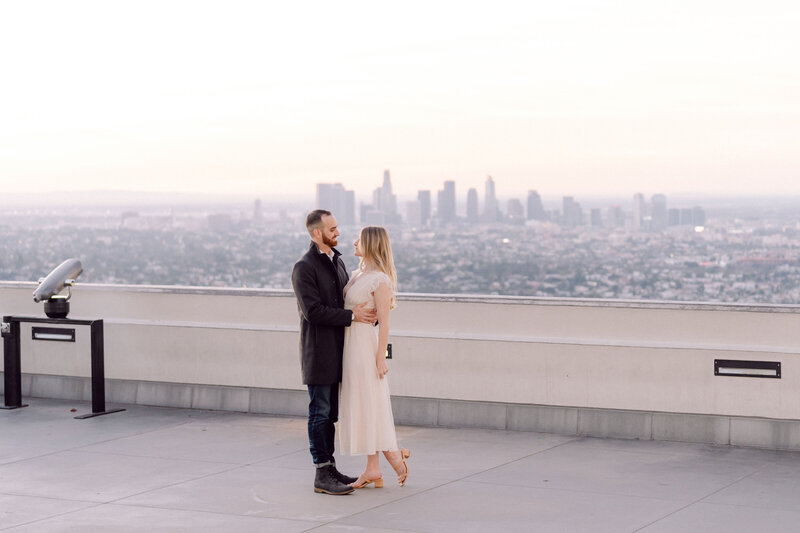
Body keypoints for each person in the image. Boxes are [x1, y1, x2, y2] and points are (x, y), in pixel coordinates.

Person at [291, 210, 377, 495]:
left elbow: (347, 299)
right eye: (332, 228)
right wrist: (352, 316)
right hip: (319, 352)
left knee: (331, 415)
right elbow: (313, 312)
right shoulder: (304, 267)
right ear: (317, 233)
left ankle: (330, 467)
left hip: (340, 351)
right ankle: (321, 472)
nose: (338, 232)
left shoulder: (337, 263)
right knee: (320, 412)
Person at [338, 226, 410, 489]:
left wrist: (381, 358)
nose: (354, 242)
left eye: (359, 238)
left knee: (370, 403)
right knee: (362, 404)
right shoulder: (358, 274)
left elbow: (386, 324)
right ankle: (374, 467)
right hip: (350, 344)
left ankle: (392, 458)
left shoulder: (380, 280)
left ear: (370, 243)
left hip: (365, 347)